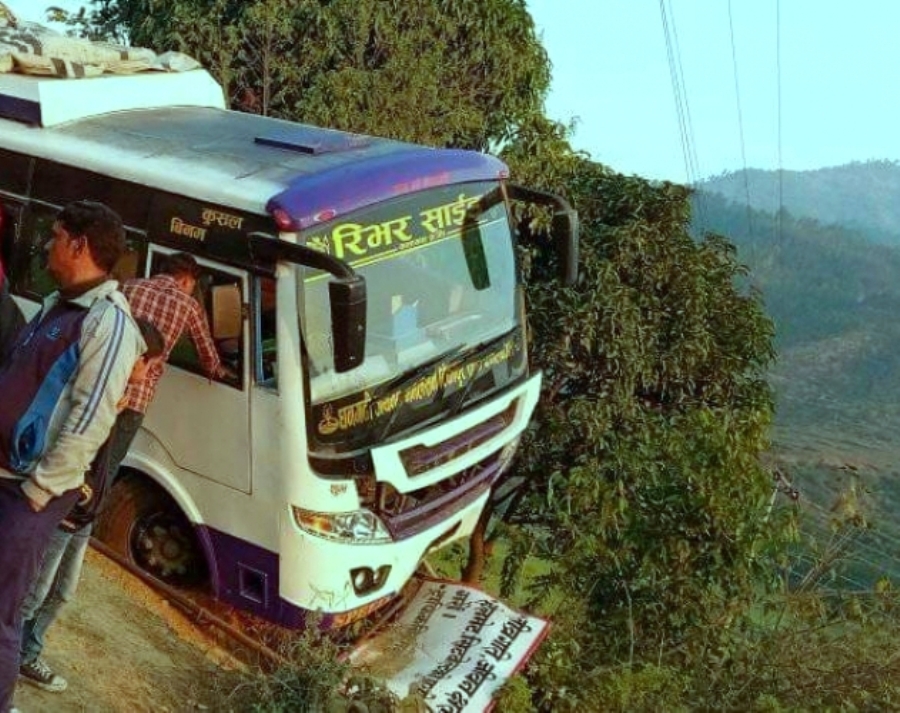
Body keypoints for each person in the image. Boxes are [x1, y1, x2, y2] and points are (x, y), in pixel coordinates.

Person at [0, 200, 145, 713]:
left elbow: (91, 420)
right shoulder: (58, 305)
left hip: (27, 492)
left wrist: (39, 490)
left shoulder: (109, 325)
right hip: (7, 477)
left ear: (79, 246)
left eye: (55, 235)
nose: (45, 244)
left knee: (2, 611)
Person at [17, 318, 165, 694]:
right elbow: (74, 450)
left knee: (62, 591)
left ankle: (25, 652)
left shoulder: (119, 402)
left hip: (85, 512)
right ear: (134, 357)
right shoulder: (98, 395)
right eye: (148, 364)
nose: (149, 374)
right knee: (33, 591)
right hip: (69, 508)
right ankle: (12, 657)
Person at [111, 252, 229, 477]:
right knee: (108, 465)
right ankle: (88, 509)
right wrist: (218, 369)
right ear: (186, 280)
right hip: (137, 397)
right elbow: (208, 357)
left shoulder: (130, 287)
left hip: (106, 384)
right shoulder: (189, 306)